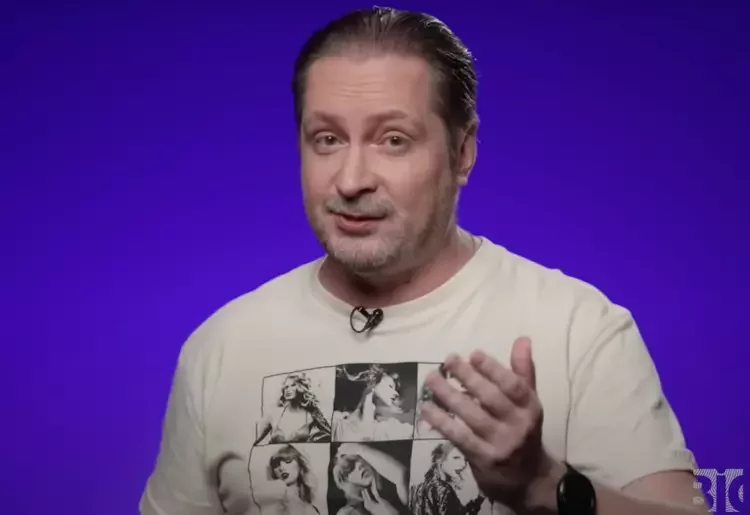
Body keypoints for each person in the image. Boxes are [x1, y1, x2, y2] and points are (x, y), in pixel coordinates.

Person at [140, 6, 707, 515]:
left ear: (463, 153)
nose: (351, 180)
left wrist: (541, 483)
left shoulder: (577, 329)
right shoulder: (220, 348)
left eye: (393, 140)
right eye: (327, 139)